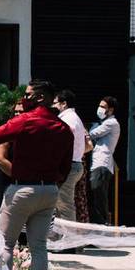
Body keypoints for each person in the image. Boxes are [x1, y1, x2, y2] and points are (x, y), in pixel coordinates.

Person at [0, 80, 73, 270]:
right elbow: (65, 168)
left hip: (22, 188)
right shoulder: (63, 129)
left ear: (40, 97)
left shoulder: (25, 121)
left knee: (5, 244)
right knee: (39, 247)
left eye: (28, 94)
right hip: (49, 189)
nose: (25, 97)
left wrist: (12, 124)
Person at [52, 89, 88, 222]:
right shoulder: (73, 118)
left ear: (64, 104)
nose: (53, 106)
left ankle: (69, 238)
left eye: (55, 103)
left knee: (64, 204)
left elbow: (64, 140)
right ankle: (61, 237)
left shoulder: (68, 119)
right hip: (73, 165)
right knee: (59, 203)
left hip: (70, 166)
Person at [0, 98, 23, 223]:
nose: (18, 114)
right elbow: (0, 158)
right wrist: (19, 177)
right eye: (16, 112)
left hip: (21, 177)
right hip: (4, 175)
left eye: (21, 111)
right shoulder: (8, 128)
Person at [89, 96, 121, 225]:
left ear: (111, 110)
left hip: (102, 164)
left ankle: (103, 225)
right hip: (98, 163)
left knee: (99, 195)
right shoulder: (104, 123)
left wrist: (87, 129)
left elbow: (92, 134)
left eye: (103, 107)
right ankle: (100, 225)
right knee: (97, 195)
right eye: (100, 106)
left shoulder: (111, 123)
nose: (100, 109)